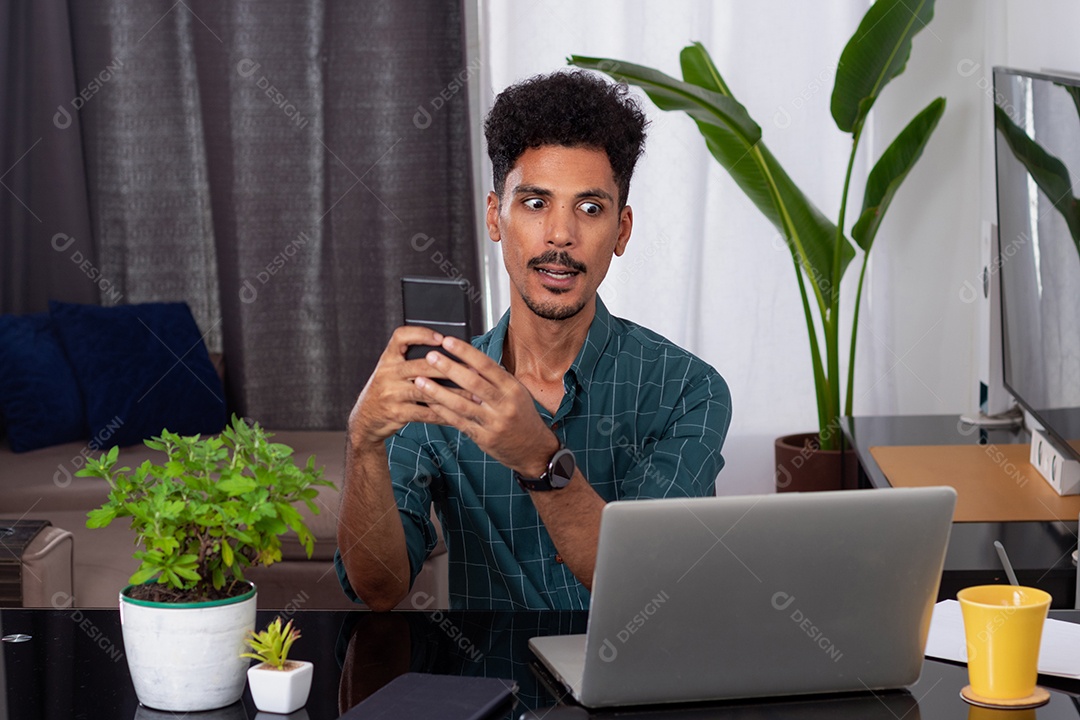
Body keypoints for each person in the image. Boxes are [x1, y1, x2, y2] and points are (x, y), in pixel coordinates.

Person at [335, 70, 731, 611]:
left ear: (621, 230)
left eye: (590, 208)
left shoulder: (688, 390)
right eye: (536, 203)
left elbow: (648, 585)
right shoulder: (438, 386)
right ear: (496, 216)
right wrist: (363, 443)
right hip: (489, 691)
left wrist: (539, 458)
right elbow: (379, 589)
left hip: (630, 691)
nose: (560, 234)